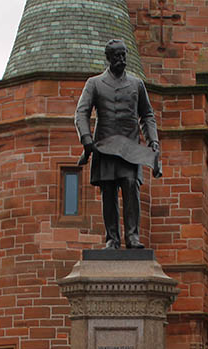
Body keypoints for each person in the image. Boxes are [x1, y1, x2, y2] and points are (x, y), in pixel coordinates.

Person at [75, 39, 161, 250]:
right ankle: (112, 238)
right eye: (117, 56)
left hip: (130, 148)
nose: (121, 60)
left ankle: (132, 236)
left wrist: (153, 140)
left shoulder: (136, 84)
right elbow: (81, 112)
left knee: (131, 186)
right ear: (109, 58)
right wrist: (86, 139)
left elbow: (147, 115)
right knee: (109, 191)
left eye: (124, 55)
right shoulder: (94, 83)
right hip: (104, 146)